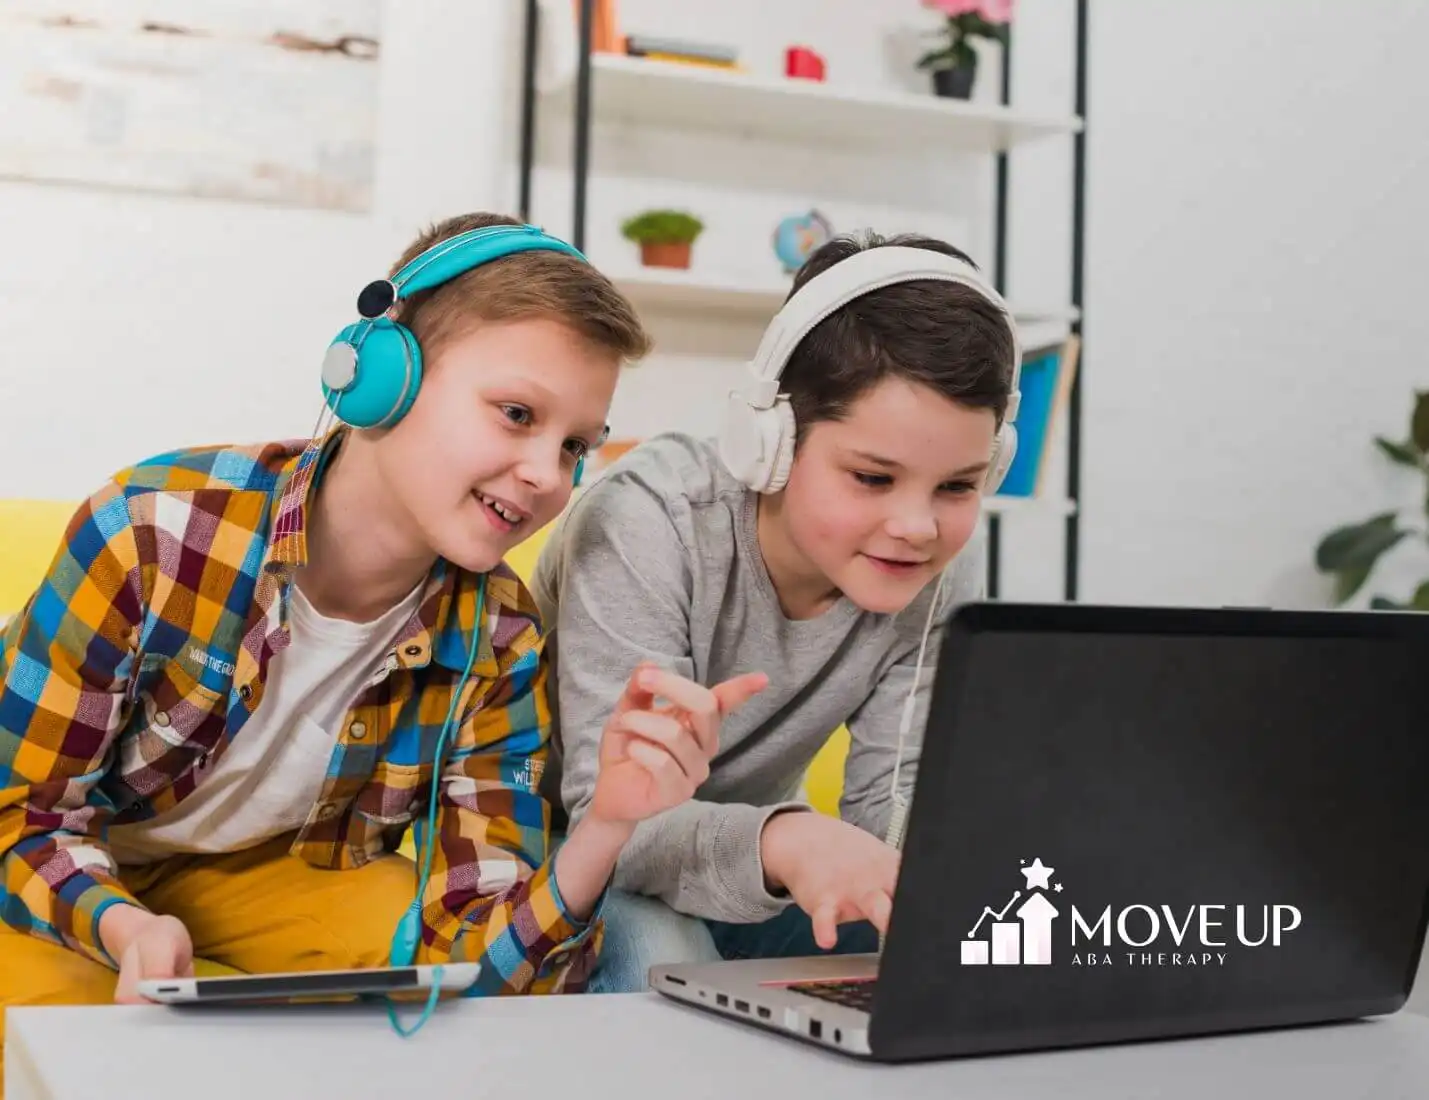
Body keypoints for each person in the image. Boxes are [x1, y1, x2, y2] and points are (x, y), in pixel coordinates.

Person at [0, 213, 767, 1065]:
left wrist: (606, 827)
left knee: (433, 981)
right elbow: (17, 819)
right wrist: (120, 922)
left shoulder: (501, 635)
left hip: (255, 874)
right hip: (62, 857)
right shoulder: (148, 533)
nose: (549, 476)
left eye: (576, 445)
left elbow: (486, 965)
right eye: (517, 413)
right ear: (378, 378)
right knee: (69, 1044)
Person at [531, 230, 1022, 992]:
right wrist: (791, 840)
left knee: (985, 951)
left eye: (957, 486)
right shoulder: (648, 521)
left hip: (744, 865)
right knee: (664, 955)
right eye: (871, 477)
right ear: (770, 441)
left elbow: (889, 812)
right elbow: (618, 827)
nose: (917, 526)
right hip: (564, 857)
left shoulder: (934, 566)